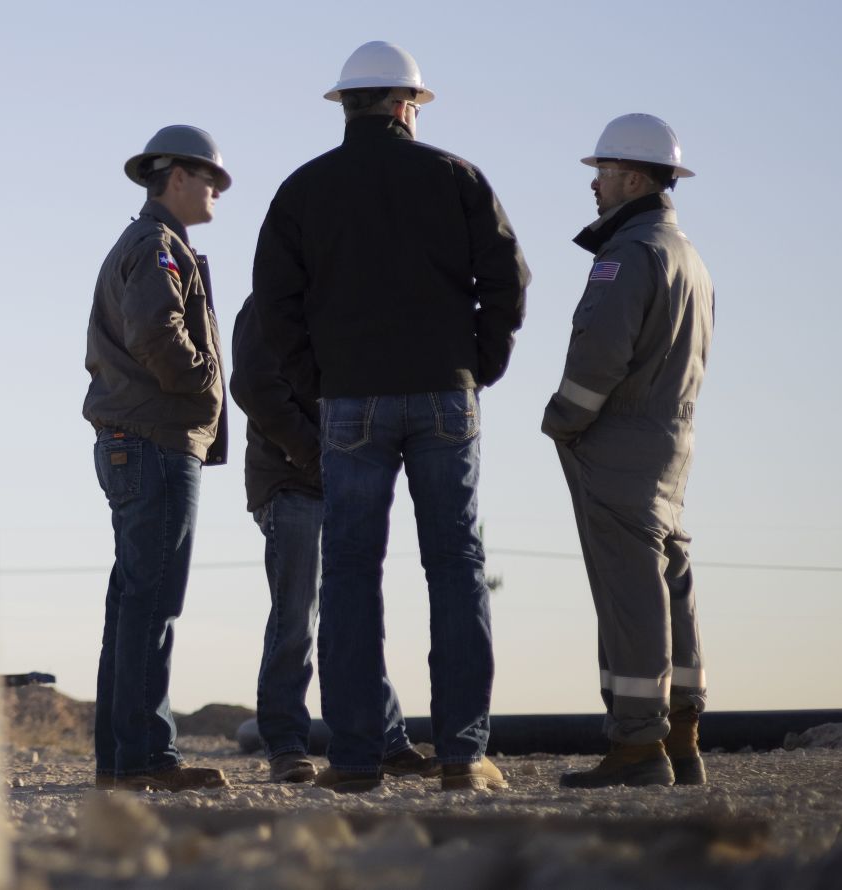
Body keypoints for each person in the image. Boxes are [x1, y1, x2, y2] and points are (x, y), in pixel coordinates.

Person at [251, 40, 530, 793]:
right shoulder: (457, 178)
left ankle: (352, 761)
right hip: (445, 393)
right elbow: (508, 279)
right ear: (409, 105)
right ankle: (464, 758)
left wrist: (321, 381)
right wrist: (481, 364)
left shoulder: (301, 190)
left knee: (347, 575)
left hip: (349, 402)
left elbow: (274, 307)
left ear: (345, 105)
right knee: (456, 569)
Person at [543, 113, 714, 788]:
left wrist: (564, 419)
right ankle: (683, 739)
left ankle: (639, 748)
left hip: (618, 443)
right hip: (671, 442)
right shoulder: (688, 257)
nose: (595, 186)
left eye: (604, 173)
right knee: (670, 582)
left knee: (629, 593)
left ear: (636, 178)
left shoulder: (629, 254)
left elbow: (600, 352)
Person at [79, 124, 233, 792]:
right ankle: (144, 757)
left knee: (134, 602)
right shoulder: (157, 246)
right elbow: (156, 334)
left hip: (135, 441)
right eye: (211, 180)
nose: (218, 192)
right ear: (176, 177)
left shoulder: (152, 244)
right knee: (152, 602)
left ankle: (122, 759)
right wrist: (203, 381)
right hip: (154, 441)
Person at [230, 295, 438, 784]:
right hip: (292, 482)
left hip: (344, 479)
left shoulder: (342, 297)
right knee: (297, 617)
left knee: (353, 611)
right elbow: (255, 386)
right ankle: (285, 745)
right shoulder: (268, 303)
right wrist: (314, 455)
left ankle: (386, 741)